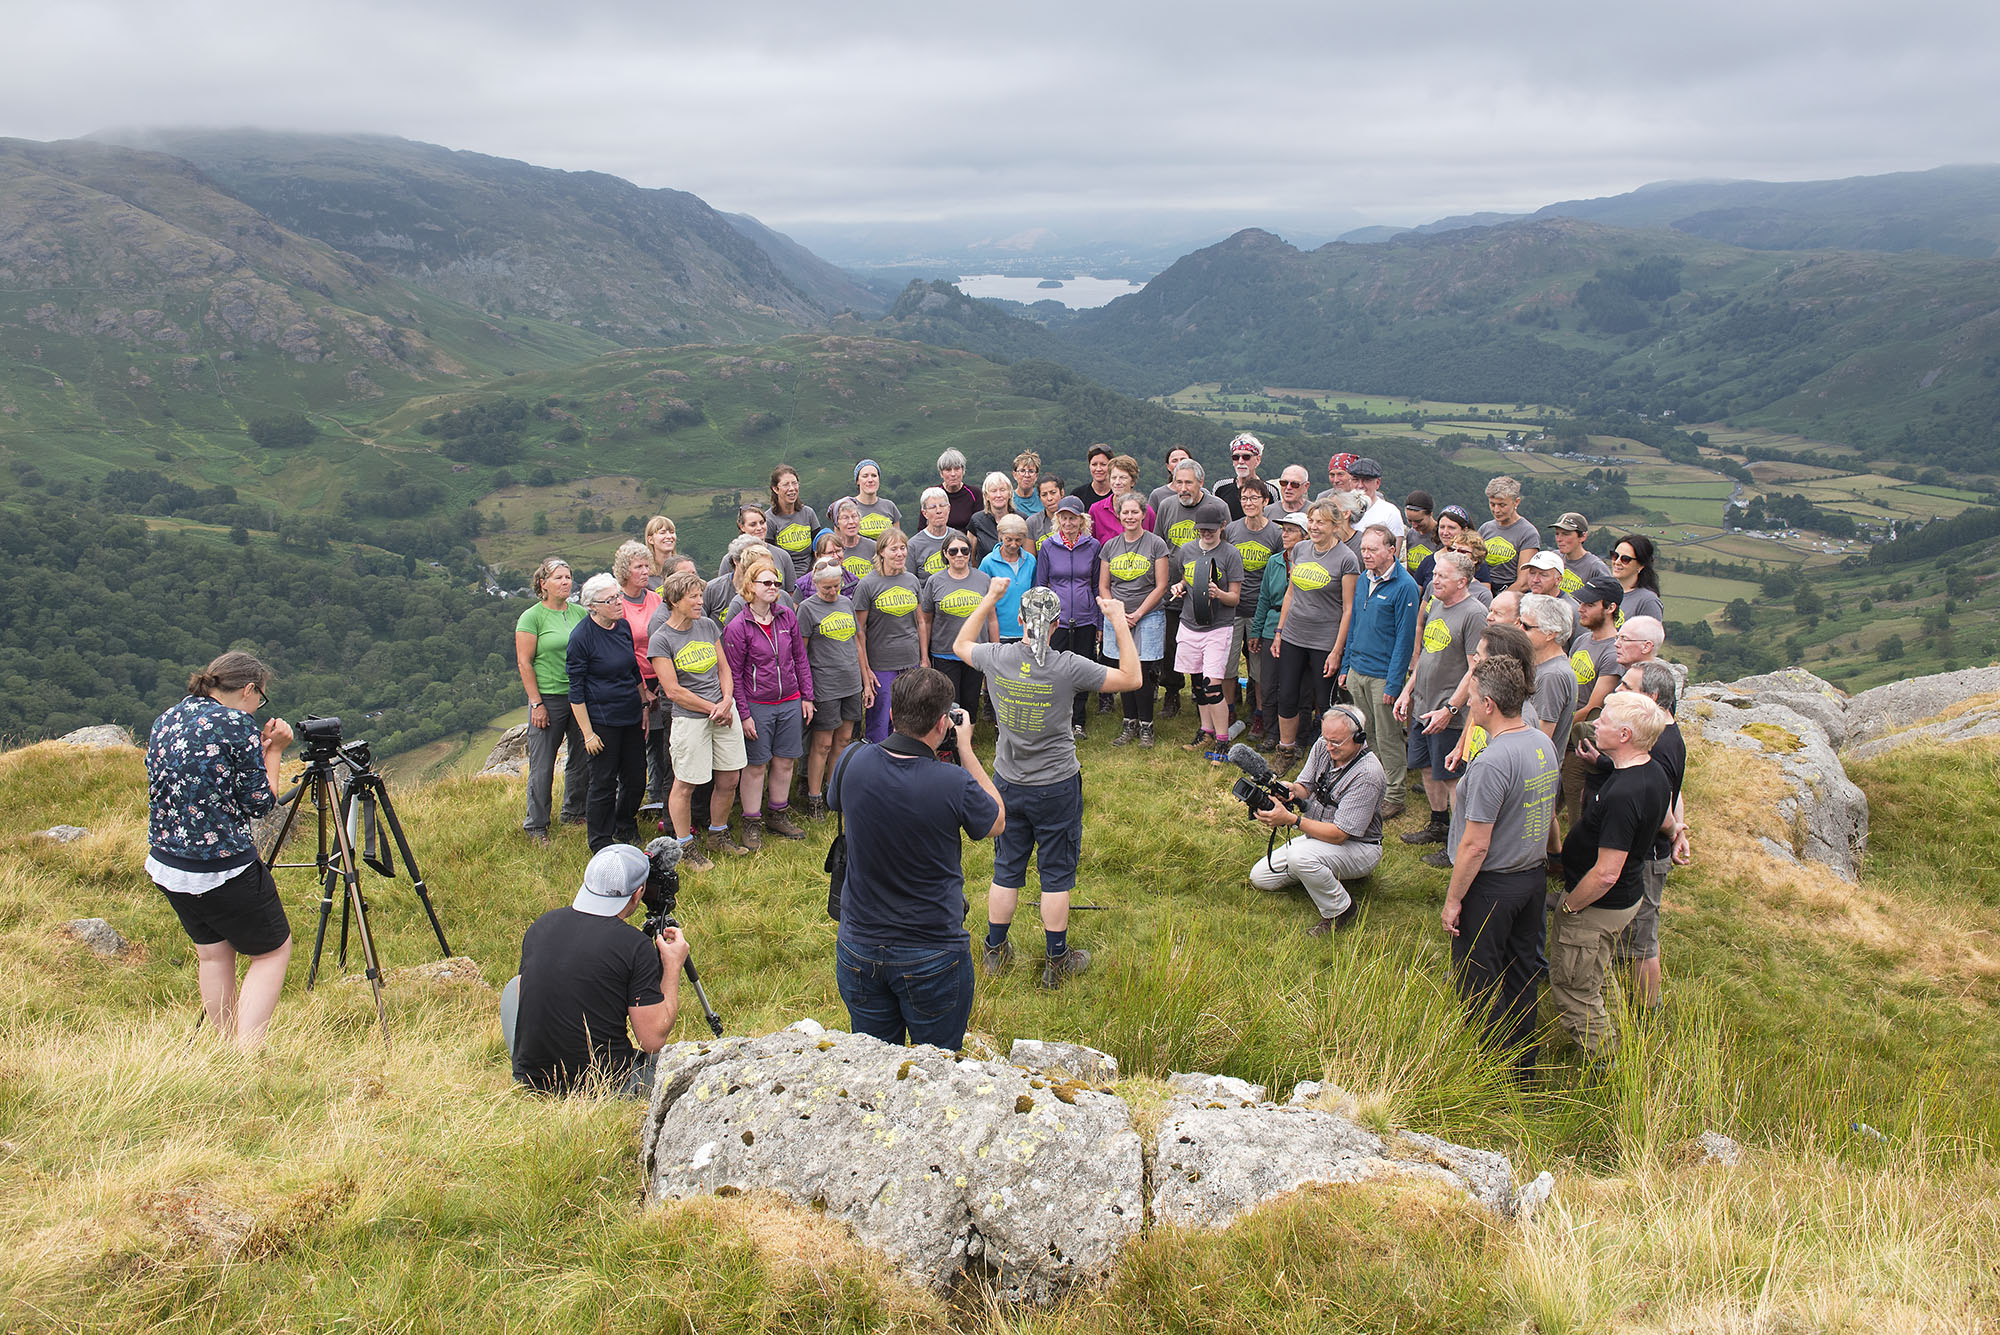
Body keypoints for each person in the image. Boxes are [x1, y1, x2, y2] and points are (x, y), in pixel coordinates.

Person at [960, 583, 1141, 988]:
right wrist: (1117, 622)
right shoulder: (1068, 665)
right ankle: (1056, 960)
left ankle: (994, 951)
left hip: (1008, 781)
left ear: (1021, 621)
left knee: (1006, 868)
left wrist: (989, 598)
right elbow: (1132, 678)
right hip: (1056, 784)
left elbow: (960, 643)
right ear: (1057, 624)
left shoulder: (996, 657)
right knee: (1056, 874)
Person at [830, 668, 1005, 1050]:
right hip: (932, 951)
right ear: (943, 724)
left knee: (873, 1065)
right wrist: (967, 749)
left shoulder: (852, 761)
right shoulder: (953, 782)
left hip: (859, 944)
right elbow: (995, 819)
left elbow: (833, 800)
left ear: (893, 713)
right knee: (938, 1068)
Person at [144, 651, 295, 1051]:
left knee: (213, 957)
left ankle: (225, 1049)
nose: (256, 705)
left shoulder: (168, 718)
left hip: (167, 865)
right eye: (259, 697)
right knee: (272, 952)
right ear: (248, 689)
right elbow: (261, 804)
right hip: (222, 868)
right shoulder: (236, 725)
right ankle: (248, 1053)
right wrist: (274, 749)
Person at [1440, 657, 1560, 1075]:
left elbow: (1475, 844)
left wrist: (1454, 901)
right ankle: (1524, 1065)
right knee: (1523, 972)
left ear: (1488, 704)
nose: (1468, 704)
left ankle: (1489, 1068)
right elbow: (1548, 813)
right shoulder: (1541, 744)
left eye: (1471, 697)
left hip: (1492, 886)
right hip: (1531, 878)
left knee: (1477, 977)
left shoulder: (1493, 761)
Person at [504, 844, 691, 1096]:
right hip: (603, 1084)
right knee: (686, 1072)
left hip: (532, 1079)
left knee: (515, 986)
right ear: (637, 894)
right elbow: (652, 1040)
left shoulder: (541, 926)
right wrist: (672, 967)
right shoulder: (634, 946)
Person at [1553, 692, 1674, 1058]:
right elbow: (1665, 820)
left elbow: (1606, 873)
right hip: (1625, 898)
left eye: (1604, 720)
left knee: (1575, 989)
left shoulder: (1625, 793)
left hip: (1598, 905)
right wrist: (1678, 832)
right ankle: (1623, 1043)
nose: (1595, 724)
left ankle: (1605, 1068)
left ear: (1624, 736)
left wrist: (1570, 908)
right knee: (1597, 975)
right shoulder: (1651, 772)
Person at [1597, 661, 1690, 1012]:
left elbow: (1662, 801)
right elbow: (1675, 792)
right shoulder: (1666, 733)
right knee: (1637, 935)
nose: (1618, 692)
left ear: (1651, 697)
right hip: (1650, 849)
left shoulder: (1661, 745)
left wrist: (1674, 830)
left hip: (1648, 855)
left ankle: (1648, 1014)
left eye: (1627, 687)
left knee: (1643, 940)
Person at [1249, 705, 1385, 935]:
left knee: (1299, 856)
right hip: (1318, 837)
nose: (1329, 746)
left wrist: (1292, 820)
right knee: (1260, 877)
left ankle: (1341, 910)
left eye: (1337, 742)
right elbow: (1306, 787)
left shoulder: (1368, 774)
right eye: (1326, 738)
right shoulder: (1323, 745)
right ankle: (1322, 875)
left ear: (1359, 738)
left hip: (1359, 847)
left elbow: (1340, 835)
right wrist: (1290, 789)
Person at [648, 568, 749, 868]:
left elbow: (724, 668)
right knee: (686, 783)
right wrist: (711, 708)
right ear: (675, 600)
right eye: (693, 597)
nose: (699, 602)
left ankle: (718, 834)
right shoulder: (661, 639)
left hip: (722, 711)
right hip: (691, 718)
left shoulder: (707, 626)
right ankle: (684, 846)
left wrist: (727, 701)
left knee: (730, 777)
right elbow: (673, 690)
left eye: (700, 595)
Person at [721, 552, 814, 847]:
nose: (773, 587)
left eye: (776, 582)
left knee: (786, 760)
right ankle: (751, 820)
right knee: (756, 765)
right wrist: (744, 714)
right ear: (751, 586)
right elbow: (733, 675)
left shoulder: (787, 616)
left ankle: (778, 813)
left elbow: (800, 659)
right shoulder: (738, 625)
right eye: (766, 582)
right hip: (757, 703)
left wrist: (806, 696)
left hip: (789, 699)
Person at [1395, 551, 1485, 847]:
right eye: (1434, 575)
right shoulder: (1436, 604)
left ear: (1462, 581)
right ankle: (1438, 824)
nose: (1434, 581)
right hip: (1423, 705)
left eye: (1441, 576)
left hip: (1448, 711)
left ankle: (1460, 840)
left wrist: (1451, 708)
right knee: (1425, 766)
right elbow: (1428, 654)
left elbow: (1475, 668)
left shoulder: (1474, 614)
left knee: (1450, 775)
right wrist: (1408, 691)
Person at [1267, 501, 1360, 766]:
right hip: (1293, 635)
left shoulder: (1347, 559)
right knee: (1286, 694)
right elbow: (1290, 593)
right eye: (1312, 521)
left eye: (1321, 522)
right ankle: (1286, 749)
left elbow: (1348, 609)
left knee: (1325, 701)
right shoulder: (1300, 549)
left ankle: (1332, 755)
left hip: (1325, 640)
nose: (1314, 527)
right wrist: (1279, 632)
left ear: (1335, 525)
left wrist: (1337, 650)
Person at [1338, 526, 1420, 820]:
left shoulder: (1405, 586)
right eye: (1363, 549)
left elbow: (1404, 639)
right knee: (1366, 733)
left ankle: (1395, 795)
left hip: (1383, 675)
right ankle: (1373, 786)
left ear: (1391, 550)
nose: (1366, 555)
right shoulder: (1363, 579)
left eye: (1373, 550)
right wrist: (1346, 666)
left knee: (1388, 737)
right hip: (1358, 670)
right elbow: (1355, 626)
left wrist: (1394, 683)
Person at [568, 572, 649, 852]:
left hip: (630, 714)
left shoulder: (623, 627)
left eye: (618, 596)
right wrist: (588, 734)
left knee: (637, 777)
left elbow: (633, 670)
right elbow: (575, 690)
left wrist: (644, 705)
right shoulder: (581, 638)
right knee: (603, 781)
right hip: (602, 721)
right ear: (593, 606)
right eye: (611, 599)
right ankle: (600, 839)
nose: (618, 602)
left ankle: (625, 824)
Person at [514, 557, 590, 844]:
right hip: (549, 696)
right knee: (543, 764)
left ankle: (573, 810)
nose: (565, 582)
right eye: (558, 578)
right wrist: (536, 703)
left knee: (581, 757)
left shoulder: (580, 613)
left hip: (579, 696)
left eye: (568, 577)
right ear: (543, 583)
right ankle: (536, 825)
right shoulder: (531, 617)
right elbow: (524, 662)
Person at [1170, 497, 1244, 758]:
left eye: (1211, 530)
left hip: (1218, 626)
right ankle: (1206, 731)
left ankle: (1223, 740)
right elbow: (1185, 577)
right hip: (1190, 623)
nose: (1206, 534)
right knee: (1199, 684)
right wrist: (1180, 588)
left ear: (1222, 526)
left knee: (1213, 686)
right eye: (1202, 530)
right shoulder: (1187, 550)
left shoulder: (1230, 554)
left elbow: (1235, 597)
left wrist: (1218, 594)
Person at [1100, 490, 1172, 747]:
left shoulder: (1156, 544)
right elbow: (1104, 585)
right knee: (1123, 671)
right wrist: (1117, 614)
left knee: (1141, 672)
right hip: (1118, 617)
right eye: (1125, 512)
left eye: (1134, 512)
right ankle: (1128, 723)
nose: (1129, 516)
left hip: (1149, 615)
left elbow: (1161, 585)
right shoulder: (1110, 546)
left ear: (1143, 514)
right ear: (1118, 515)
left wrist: (1139, 613)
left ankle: (1146, 726)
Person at [798, 556, 865, 821]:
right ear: (815, 584)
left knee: (845, 739)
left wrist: (864, 677)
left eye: (836, 586)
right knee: (823, 743)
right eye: (827, 587)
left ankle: (833, 790)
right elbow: (801, 652)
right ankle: (813, 797)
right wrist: (806, 691)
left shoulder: (846, 603)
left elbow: (855, 641)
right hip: (824, 684)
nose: (832, 591)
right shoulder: (806, 609)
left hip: (850, 681)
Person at [1034, 497, 1104, 737]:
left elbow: (1097, 586)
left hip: (1085, 617)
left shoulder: (1093, 546)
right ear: (1057, 520)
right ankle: (1058, 719)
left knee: (1082, 668)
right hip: (1057, 620)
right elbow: (1041, 585)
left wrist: (1099, 621)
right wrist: (1042, 621)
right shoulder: (1048, 547)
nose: (1068, 522)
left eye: (1072, 517)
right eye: (1063, 517)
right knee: (1055, 670)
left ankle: (1079, 720)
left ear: (1082, 520)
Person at [607, 542, 667, 811]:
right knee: (635, 743)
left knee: (661, 740)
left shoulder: (655, 599)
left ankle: (656, 797)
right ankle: (625, 800)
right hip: (632, 682)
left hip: (662, 677)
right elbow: (623, 649)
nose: (645, 571)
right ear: (624, 572)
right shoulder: (617, 604)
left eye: (647, 566)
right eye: (638, 567)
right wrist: (644, 690)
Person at [855, 528, 929, 744]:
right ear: (881, 552)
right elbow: (859, 631)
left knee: (908, 717)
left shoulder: (912, 581)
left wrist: (923, 659)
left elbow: (921, 621)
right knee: (880, 720)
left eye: (903, 548)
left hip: (910, 662)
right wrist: (866, 669)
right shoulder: (867, 584)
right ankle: (878, 763)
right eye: (893, 549)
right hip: (881, 665)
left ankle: (905, 760)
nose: (899, 553)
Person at [1153, 459, 1211, 719]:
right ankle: (1172, 693)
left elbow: (1226, 549)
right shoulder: (1166, 506)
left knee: (1203, 645)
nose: (1184, 488)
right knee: (1170, 646)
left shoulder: (1216, 507)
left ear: (1201, 482)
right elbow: (1159, 546)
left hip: (1205, 591)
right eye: (1179, 482)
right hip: (1172, 589)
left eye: (1189, 482)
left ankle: (1203, 696)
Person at [1223, 479, 1278, 731]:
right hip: (1232, 609)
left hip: (1260, 611)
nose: (1249, 503)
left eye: (1254, 498)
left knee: (1258, 669)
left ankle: (1259, 714)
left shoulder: (1275, 534)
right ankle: (1229, 711)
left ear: (1265, 501)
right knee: (1228, 664)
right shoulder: (1232, 530)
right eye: (1244, 498)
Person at [1250, 512, 1309, 750]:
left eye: (1291, 530)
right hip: (1271, 625)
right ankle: (1272, 732)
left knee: (1299, 686)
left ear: (1304, 535)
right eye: (1283, 529)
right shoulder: (1274, 561)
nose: (1284, 534)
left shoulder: (1310, 562)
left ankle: (1301, 737)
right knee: (1269, 684)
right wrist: (1256, 630)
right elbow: (1264, 597)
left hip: (1299, 629)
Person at [923, 533, 993, 719]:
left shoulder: (984, 579)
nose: (959, 555)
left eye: (964, 550)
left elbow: (992, 619)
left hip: (975, 652)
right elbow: (926, 621)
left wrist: (995, 650)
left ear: (970, 553)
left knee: (971, 701)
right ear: (945, 554)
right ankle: (949, 743)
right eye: (953, 551)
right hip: (944, 652)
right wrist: (924, 655)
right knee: (948, 703)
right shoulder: (934, 582)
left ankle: (966, 740)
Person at [978, 515, 1034, 640]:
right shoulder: (988, 562)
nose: (1014, 545)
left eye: (1018, 540)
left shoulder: (1030, 561)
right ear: (1000, 536)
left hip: (1026, 633)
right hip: (999, 634)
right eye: (1009, 539)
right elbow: (982, 600)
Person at [1479, 476, 1539, 594]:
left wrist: (1499, 601)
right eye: (1492, 504)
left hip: (1511, 593)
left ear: (1516, 502)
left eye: (1502, 505)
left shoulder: (1528, 533)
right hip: (1484, 587)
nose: (1496, 510)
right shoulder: (1485, 529)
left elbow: (1523, 582)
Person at [765, 463, 820, 581]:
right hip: (783, 578)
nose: (792, 488)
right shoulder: (769, 519)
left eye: (794, 483)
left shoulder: (808, 513)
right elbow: (770, 556)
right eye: (785, 485)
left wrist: (809, 577)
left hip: (812, 576)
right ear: (775, 489)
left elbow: (818, 549)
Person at [1345, 458, 1406, 555]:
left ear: (1377, 483)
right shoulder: (1342, 510)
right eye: (1355, 480)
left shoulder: (1390, 512)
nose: (1360, 485)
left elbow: (1394, 556)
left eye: (1366, 480)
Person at [1088, 453, 1152, 543]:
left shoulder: (1146, 511)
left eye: (1123, 478)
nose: (1117, 482)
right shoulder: (1096, 510)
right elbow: (1090, 545)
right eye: (1113, 478)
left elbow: (1155, 545)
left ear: (1132, 481)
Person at [1550, 513, 1611, 598]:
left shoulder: (1596, 568)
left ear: (1583, 536)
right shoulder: (1552, 558)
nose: (1559, 539)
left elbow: (1607, 600)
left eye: (1566, 534)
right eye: (1557, 534)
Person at [1610, 534, 1666, 624]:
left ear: (1641, 565)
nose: (1617, 562)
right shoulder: (1607, 591)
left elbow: (1650, 636)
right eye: (1615, 555)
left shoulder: (1648, 601)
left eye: (1625, 559)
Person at [907, 486, 958, 580]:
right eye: (932, 507)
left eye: (942, 505)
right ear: (924, 513)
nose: (939, 511)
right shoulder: (913, 546)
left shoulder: (959, 539)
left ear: (949, 508)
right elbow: (909, 582)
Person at [968, 471, 1018, 563]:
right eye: (993, 491)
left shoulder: (1021, 519)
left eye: (1003, 490)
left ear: (1010, 493)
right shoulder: (976, 521)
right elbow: (970, 557)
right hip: (986, 575)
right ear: (986, 496)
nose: (998, 495)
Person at [1214, 432, 1265, 521]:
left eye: (1246, 457)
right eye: (1236, 457)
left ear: (1258, 459)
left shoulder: (1269, 490)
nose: (1240, 461)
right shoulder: (1220, 488)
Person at [850, 459, 903, 542]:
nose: (870, 480)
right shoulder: (848, 507)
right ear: (857, 481)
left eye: (874, 475)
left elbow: (897, 541)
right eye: (865, 476)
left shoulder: (889, 506)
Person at [826, 497, 878, 582]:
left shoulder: (873, 547)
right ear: (837, 523)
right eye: (845, 518)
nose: (851, 521)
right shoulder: (831, 549)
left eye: (854, 516)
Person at [717, 504, 769, 579]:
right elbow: (724, 586)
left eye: (762, 522)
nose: (759, 528)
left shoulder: (782, 555)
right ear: (742, 527)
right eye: (753, 524)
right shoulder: (730, 559)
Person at [937, 448, 978, 530]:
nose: (953, 474)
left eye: (957, 469)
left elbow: (979, 526)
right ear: (941, 473)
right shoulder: (933, 495)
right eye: (948, 470)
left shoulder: (974, 493)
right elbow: (922, 528)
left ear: (963, 470)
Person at [1403, 492, 1438, 582]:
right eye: (1410, 520)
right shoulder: (1411, 534)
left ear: (1430, 514)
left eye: (1418, 521)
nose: (1414, 525)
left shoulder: (1441, 536)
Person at [1025, 475, 1065, 549]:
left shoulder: (1074, 519)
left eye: (1053, 492)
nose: (1049, 498)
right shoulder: (1032, 523)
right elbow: (1030, 558)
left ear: (1062, 492)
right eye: (1044, 495)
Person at [1068, 444, 1114, 508]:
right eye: (1094, 464)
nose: (1098, 469)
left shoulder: (1117, 495)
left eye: (1103, 464)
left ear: (1111, 466)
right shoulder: (1078, 495)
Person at [643, 516, 678, 596]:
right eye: (662, 533)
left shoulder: (684, 567)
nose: (669, 536)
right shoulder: (645, 574)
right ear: (650, 540)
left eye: (672, 532)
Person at [1010, 450, 1046, 520]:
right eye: (1022, 471)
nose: (1027, 475)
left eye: (1031, 471)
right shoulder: (1008, 499)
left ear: (1036, 476)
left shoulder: (1043, 497)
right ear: (1014, 475)